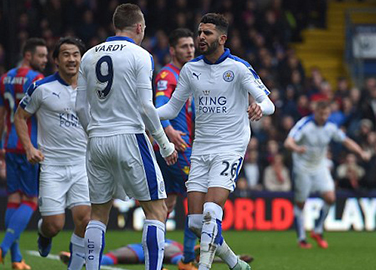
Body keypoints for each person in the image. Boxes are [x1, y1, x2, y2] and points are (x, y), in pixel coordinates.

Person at [157, 13, 275, 270]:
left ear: (222, 38)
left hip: (230, 147)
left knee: (212, 211)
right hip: (201, 148)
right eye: (200, 32)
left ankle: (204, 267)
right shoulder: (191, 70)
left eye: (207, 33)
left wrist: (259, 109)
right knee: (195, 223)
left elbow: (269, 103)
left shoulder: (238, 67)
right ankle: (235, 264)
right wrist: (143, 115)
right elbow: (171, 108)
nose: (200, 37)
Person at [75, 4, 177, 270]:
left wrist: (94, 132)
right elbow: (146, 107)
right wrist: (165, 146)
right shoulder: (140, 55)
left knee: (98, 214)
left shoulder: (88, 56)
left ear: (115, 25)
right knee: (157, 211)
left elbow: (78, 107)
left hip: (96, 140)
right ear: (140, 27)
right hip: (130, 136)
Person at [14, 37, 91, 270]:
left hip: (83, 165)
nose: (71, 59)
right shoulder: (42, 88)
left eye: (76, 54)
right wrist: (29, 147)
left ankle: (75, 266)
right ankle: (43, 234)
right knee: (54, 224)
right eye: (66, 55)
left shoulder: (93, 89)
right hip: (53, 166)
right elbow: (19, 116)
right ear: (56, 60)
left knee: (85, 220)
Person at [0, 38, 48, 270]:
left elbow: (0, 117)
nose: (44, 60)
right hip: (30, 145)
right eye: (41, 56)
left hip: (10, 144)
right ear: (28, 56)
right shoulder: (37, 80)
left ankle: (15, 259)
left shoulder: (4, 79)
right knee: (31, 201)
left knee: (13, 200)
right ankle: (2, 248)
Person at [284, 101, 370, 249]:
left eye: (326, 114)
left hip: (319, 167)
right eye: (321, 113)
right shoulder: (305, 124)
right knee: (301, 204)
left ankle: (317, 230)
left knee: (330, 198)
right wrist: (297, 148)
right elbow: (288, 143)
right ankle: (301, 238)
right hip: (302, 168)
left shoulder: (330, 127)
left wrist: (360, 152)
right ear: (315, 112)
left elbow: (346, 141)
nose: (324, 117)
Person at [153, 28, 197, 270]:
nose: (190, 50)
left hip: (176, 146)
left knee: (167, 204)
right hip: (177, 148)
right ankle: (188, 258)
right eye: (184, 46)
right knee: (198, 196)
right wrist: (168, 130)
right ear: (172, 50)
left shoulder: (187, 76)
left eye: (191, 46)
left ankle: (156, 255)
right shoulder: (168, 76)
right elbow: (159, 105)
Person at [59, 240, 254, 266]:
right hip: (168, 250)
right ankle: (81, 260)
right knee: (183, 261)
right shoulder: (179, 248)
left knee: (114, 257)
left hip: (141, 246)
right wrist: (234, 259)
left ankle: (80, 260)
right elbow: (197, 256)